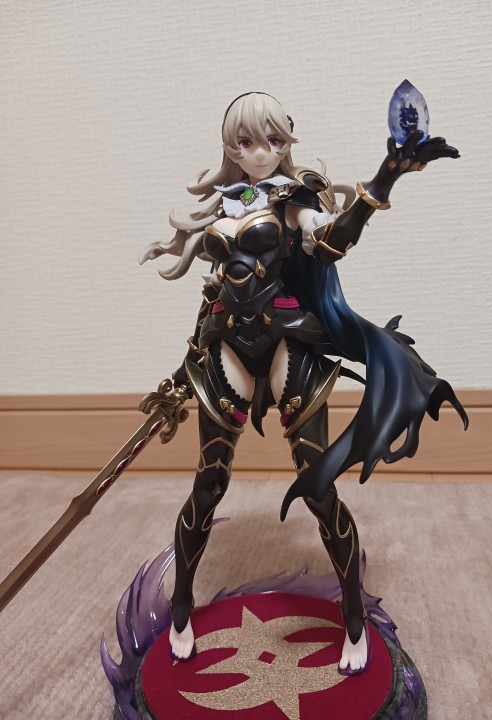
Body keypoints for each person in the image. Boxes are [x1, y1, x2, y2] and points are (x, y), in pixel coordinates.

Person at [140, 92, 468, 674]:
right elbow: (213, 292)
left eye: (273, 140)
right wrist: (184, 366)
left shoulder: (293, 200)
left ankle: (353, 616)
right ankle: (182, 605)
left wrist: (384, 178)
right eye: (246, 142)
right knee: (208, 484)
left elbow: (333, 240)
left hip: (286, 338)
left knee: (318, 488)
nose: (260, 152)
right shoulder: (221, 204)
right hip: (227, 342)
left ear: (286, 142)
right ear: (230, 147)